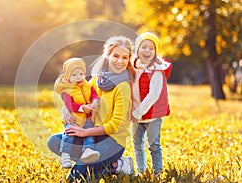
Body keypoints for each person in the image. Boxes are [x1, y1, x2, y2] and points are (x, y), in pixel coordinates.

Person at [48, 36, 136, 182]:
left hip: (112, 141)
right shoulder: (96, 80)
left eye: (124, 57)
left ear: (128, 60)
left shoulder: (123, 87)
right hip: (92, 138)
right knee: (54, 142)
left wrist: (84, 132)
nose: (120, 61)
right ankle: (112, 165)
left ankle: (116, 164)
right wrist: (66, 109)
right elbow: (79, 98)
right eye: (116, 56)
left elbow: (116, 125)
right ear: (107, 56)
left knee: (76, 178)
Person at [131, 32, 172, 177]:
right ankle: (140, 171)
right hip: (136, 114)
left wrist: (137, 112)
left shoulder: (158, 69)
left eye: (151, 48)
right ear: (137, 49)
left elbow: (153, 95)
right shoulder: (133, 67)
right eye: (144, 47)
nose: (147, 51)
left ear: (155, 52)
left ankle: (157, 172)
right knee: (137, 144)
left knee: (153, 145)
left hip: (153, 114)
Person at [54, 57, 100, 168]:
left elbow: (94, 94)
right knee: (69, 134)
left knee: (89, 134)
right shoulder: (67, 90)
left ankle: (87, 151)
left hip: (87, 118)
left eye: (80, 74)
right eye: (74, 75)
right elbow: (69, 105)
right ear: (68, 77)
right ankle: (65, 154)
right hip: (74, 118)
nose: (78, 77)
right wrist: (81, 108)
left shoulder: (88, 86)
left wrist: (94, 101)